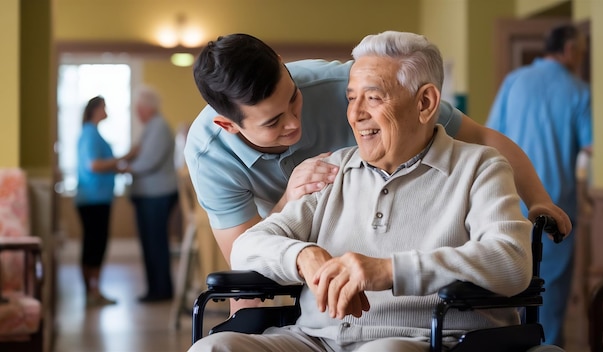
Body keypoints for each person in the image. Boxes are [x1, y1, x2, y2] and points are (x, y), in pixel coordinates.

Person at [188, 30, 534, 352]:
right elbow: (247, 248)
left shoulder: (480, 167)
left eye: (373, 98)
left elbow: (511, 261)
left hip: (418, 338)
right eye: (351, 98)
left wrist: (391, 270)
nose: (354, 114)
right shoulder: (331, 169)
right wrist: (303, 256)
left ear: (425, 103)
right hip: (316, 340)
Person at [486, 24, 592, 347]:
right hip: (555, 210)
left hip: (505, 205)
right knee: (548, 301)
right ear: (571, 50)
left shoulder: (514, 82)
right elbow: (590, 151)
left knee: (504, 297)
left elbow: (490, 139)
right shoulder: (579, 92)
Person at [75, 95, 137, 307]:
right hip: (94, 199)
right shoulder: (90, 134)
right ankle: (93, 291)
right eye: (104, 107)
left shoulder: (91, 133)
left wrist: (119, 167)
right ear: (95, 109)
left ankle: (92, 291)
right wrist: (124, 157)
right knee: (95, 245)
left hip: (95, 198)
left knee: (93, 244)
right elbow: (94, 165)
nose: (106, 110)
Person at [127, 85, 179, 302]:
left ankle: (161, 290)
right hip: (149, 194)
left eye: (139, 108)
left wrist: (123, 167)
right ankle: (155, 289)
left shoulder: (158, 127)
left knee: (156, 244)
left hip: (156, 195)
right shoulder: (152, 127)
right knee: (150, 244)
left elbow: (148, 162)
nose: (137, 112)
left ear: (148, 108)